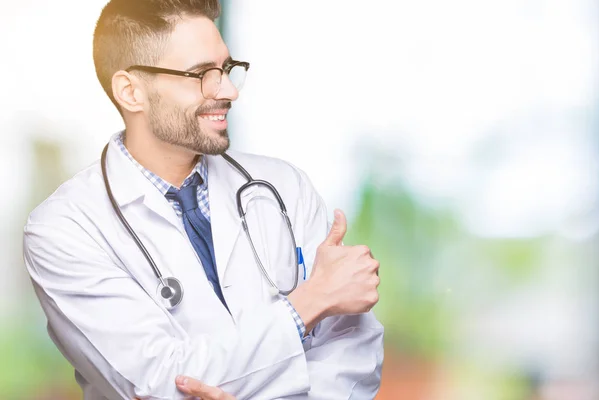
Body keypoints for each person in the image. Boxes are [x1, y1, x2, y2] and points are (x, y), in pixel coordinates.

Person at [22, 0, 384, 399]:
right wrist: (310, 302)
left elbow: (355, 352)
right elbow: (159, 382)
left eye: (227, 70)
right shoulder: (64, 229)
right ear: (131, 92)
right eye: (201, 74)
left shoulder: (284, 186)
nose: (228, 90)